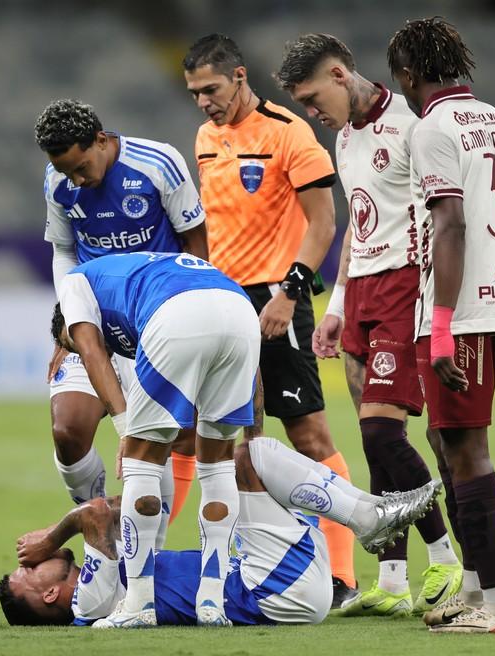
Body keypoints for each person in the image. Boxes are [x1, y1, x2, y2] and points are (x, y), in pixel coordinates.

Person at [275, 33, 462, 617]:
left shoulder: (412, 124)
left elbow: (444, 215)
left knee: (384, 434)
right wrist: (335, 309)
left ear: (339, 74)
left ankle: (447, 558)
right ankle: (393, 580)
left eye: (311, 97)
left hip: (406, 287)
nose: (311, 111)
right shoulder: (343, 136)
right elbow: (358, 225)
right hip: (361, 294)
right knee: (375, 442)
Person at [388, 17, 495, 633]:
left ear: (408, 74)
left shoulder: (432, 129)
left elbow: (450, 226)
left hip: (457, 312)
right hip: (492, 305)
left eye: (399, 78)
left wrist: (441, 326)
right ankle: (480, 588)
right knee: (446, 442)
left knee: (465, 452)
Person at [182, 33, 358, 606]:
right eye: (194, 93)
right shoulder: (206, 138)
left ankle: (342, 574)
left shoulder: (289, 131)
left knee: (307, 434)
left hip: (278, 296)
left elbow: (323, 224)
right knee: (234, 436)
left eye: (210, 88)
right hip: (221, 299)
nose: (203, 102)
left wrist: (288, 294)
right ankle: (253, 557)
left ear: (238, 77)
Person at [0, 437, 441, 627]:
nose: (29, 558)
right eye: (27, 570)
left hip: (274, 580)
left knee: (256, 453)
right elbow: (94, 513)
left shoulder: (102, 573)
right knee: (246, 460)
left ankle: (369, 512)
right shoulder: (87, 604)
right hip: (272, 590)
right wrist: (51, 539)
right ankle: (368, 518)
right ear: (49, 595)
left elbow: (116, 509)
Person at [52, 250, 260, 627]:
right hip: (241, 310)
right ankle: (212, 604)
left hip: (178, 314)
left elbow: (91, 351)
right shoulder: (136, 273)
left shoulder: (73, 284)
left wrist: (124, 428)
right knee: (216, 461)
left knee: (140, 464)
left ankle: (138, 605)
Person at [35, 99, 206, 518]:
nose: (76, 179)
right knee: (68, 429)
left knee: (153, 444)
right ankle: (99, 519)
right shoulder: (56, 182)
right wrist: (72, 318)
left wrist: (191, 313)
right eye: (65, 171)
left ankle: (143, 549)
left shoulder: (158, 162)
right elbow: (63, 251)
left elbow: (196, 242)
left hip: (155, 320)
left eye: (81, 167)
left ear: (100, 140)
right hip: (95, 313)